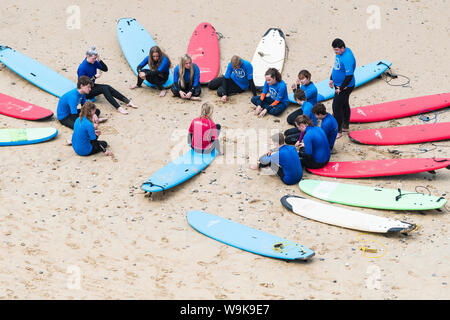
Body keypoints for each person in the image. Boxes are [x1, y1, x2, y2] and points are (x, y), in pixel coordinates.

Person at [77, 46, 138, 114]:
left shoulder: (94, 62)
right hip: (86, 91)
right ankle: (118, 108)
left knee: (107, 87)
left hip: (91, 86)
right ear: (87, 56)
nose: (95, 60)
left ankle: (127, 101)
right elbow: (81, 84)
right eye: (93, 58)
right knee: (104, 89)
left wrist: (99, 59)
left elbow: (105, 69)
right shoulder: (82, 68)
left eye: (95, 58)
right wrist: (94, 77)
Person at [328, 38, 356, 138]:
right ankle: (345, 126)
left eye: (337, 50)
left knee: (336, 107)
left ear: (342, 48)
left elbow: (349, 76)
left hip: (345, 86)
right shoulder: (339, 54)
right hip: (338, 84)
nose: (335, 52)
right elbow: (336, 67)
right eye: (334, 50)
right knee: (344, 104)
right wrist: (331, 79)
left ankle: (339, 131)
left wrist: (341, 88)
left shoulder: (347, 57)